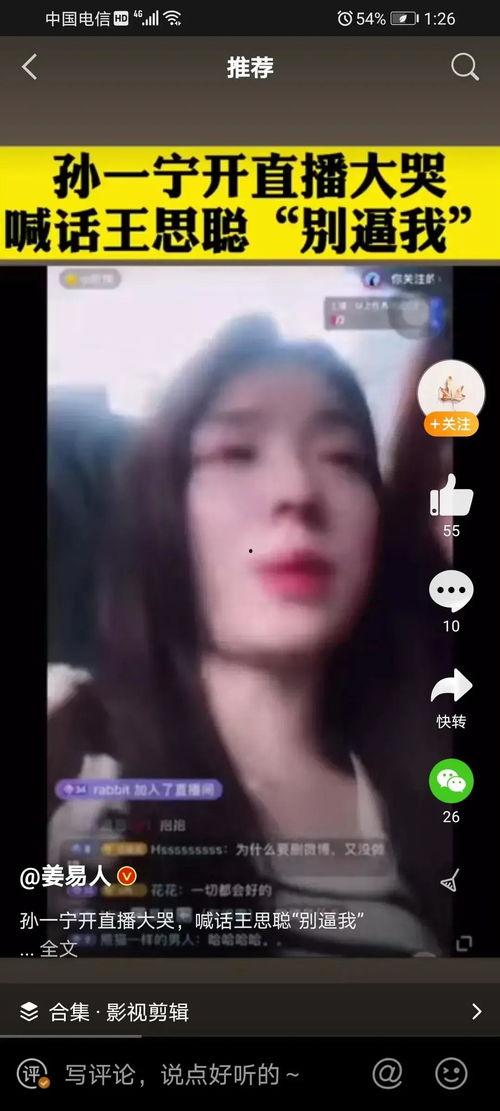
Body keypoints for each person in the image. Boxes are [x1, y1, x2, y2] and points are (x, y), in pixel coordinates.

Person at [48, 315, 452, 956]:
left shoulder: (426, 792)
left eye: (344, 458)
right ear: (158, 511)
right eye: (234, 452)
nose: (298, 491)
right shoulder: (69, 752)